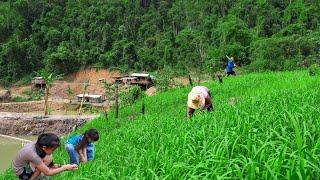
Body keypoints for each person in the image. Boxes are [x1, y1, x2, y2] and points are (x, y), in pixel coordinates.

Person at [12, 133, 78, 180]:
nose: (54, 151)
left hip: (28, 162)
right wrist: (64, 168)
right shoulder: (34, 155)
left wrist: (62, 166)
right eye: (53, 149)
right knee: (46, 176)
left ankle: (38, 172)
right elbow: (48, 172)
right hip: (21, 170)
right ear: (44, 147)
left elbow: (47, 161)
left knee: (48, 157)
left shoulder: (39, 144)